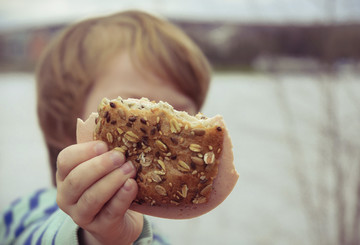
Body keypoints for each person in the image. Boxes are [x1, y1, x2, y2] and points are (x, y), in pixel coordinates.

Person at [0, 10, 211, 244]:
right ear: (63, 124)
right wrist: (96, 236)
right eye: (134, 109)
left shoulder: (157, 238)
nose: (161, 135)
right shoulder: (27, 212)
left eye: (181, 114)